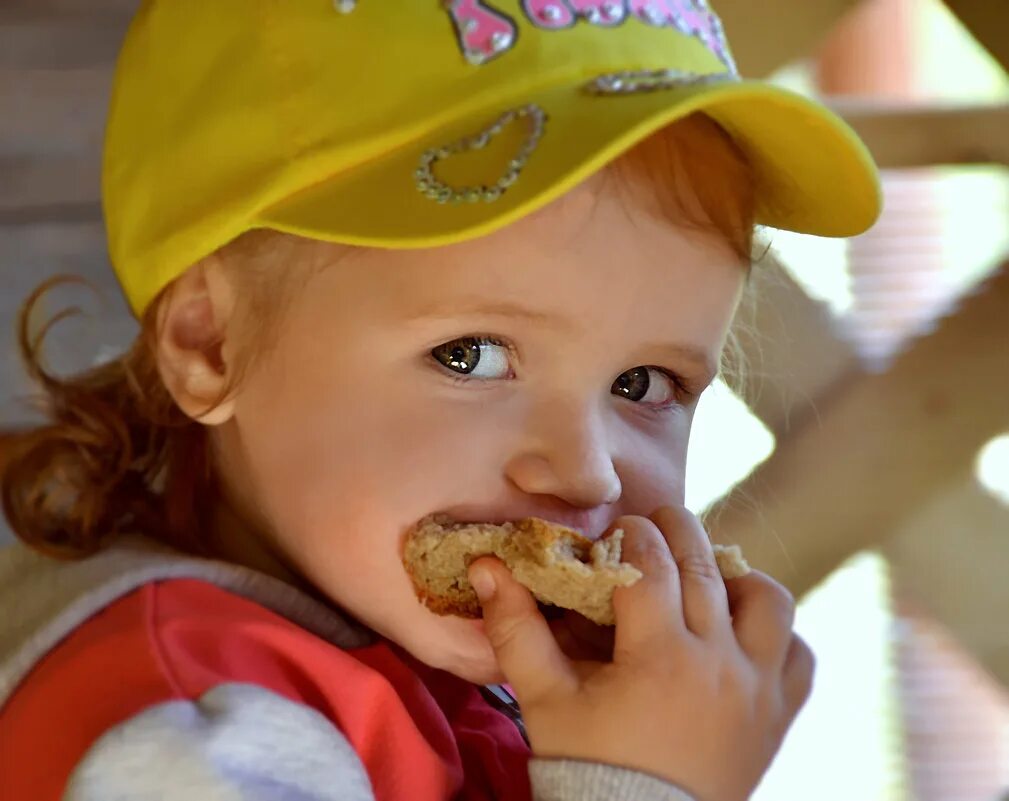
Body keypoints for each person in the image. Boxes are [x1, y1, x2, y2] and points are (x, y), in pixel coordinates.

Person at [0, 2, 881, 800]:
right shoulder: (182, 728)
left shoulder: (414, 653)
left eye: (642, 385)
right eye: (471, 355)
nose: (584, 469)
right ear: (210, 345)